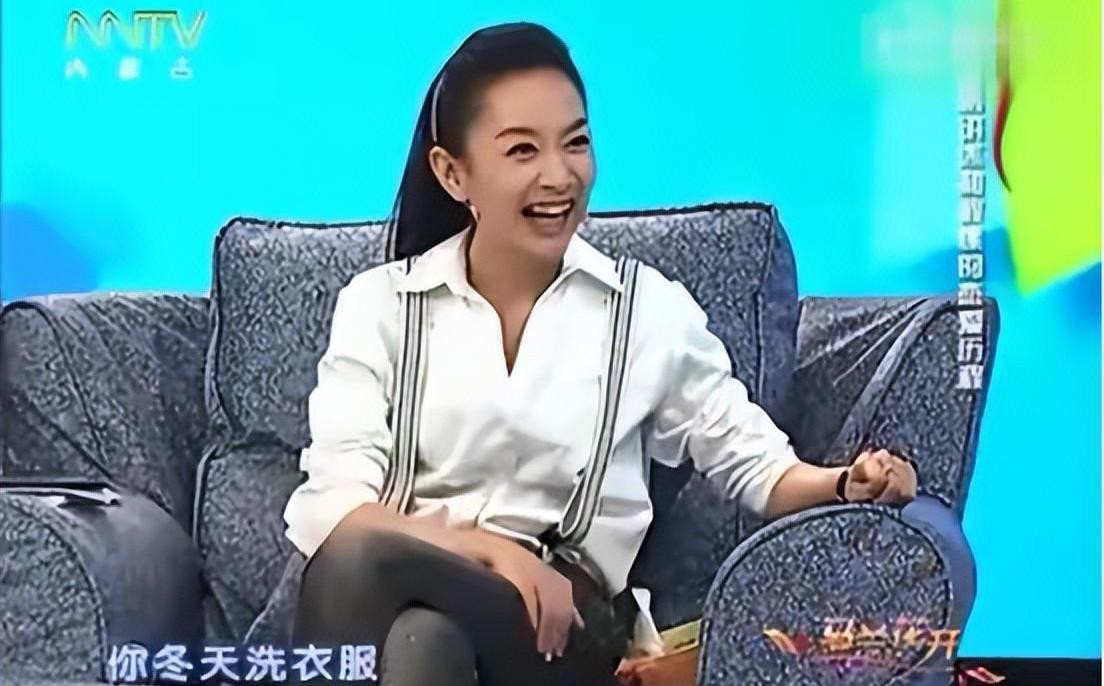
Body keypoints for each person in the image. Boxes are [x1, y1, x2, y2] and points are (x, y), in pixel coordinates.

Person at [283, 21, 918, 686]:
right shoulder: (382, 305)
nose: (560, 176)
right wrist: (490, 552)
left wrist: (845, 484)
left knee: (363, 563)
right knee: (421, 636)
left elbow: (756, 466)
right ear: (452, 173)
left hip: (565, 628)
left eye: (576, 143)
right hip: (410, 602)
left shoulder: (643, 310)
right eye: (522, 151)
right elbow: (333, 509)